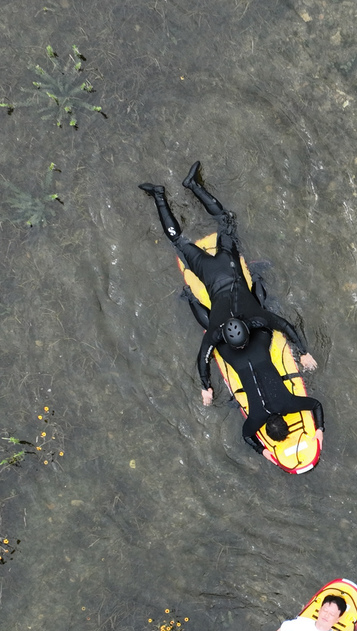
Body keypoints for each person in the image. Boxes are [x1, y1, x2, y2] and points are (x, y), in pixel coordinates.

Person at [138, 162, 324, 455]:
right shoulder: (245, 323)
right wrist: (206, 390)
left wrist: (206, 386)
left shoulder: (230, 328)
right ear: (245, 331)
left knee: (222, 223)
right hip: (216, 273)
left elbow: (204, 357)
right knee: (190, 239)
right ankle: (172, 192)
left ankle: (176, 191)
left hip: (219, 270)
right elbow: (283, 328)